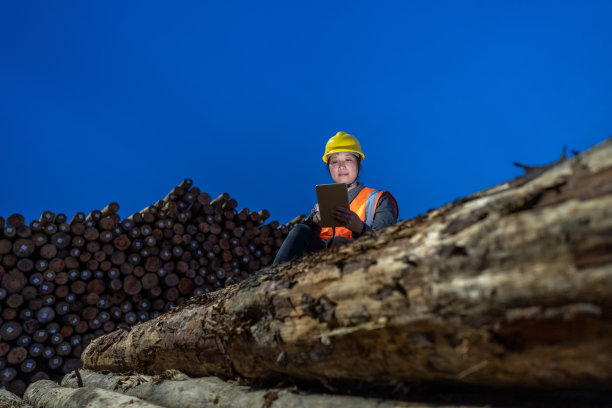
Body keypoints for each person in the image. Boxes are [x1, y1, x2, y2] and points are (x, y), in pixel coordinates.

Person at [273, 131, 398, 265]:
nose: (341, 166)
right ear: (329, 168)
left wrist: (360, 228)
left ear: (358, 163)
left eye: (348, 159)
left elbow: (386, 242)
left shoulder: (378, 199)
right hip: (320, 263)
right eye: (334, 161)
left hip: (360, 259)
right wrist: (313, 225)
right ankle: (271, 283)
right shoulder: (319, 207)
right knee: (300, 230)